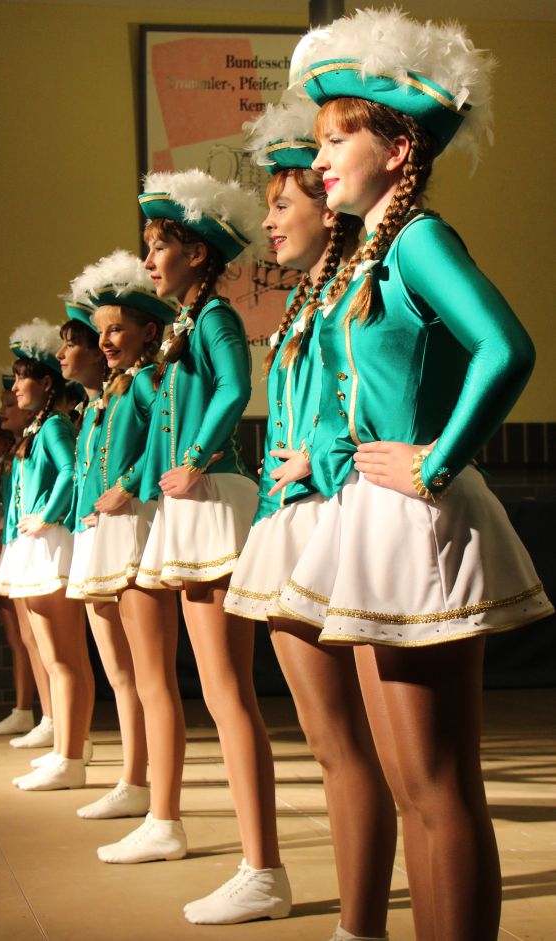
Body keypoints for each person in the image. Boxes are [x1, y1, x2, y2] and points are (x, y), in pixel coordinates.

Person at [269, 10, 554, 940]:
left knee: (437, 787)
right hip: (372, 515)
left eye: (335, 140)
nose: (319, 160)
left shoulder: (421, 238)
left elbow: (506, 347)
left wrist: (437, 460)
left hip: (415, 518)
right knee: (410, 787)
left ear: (397, 149)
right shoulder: (373, 250)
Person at [94, 169, 291, 926]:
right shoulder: (182, 325)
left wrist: (197, 458)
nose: (149, 260)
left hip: (211, 497)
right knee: (213, 688)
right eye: (148, 247)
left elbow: (237, 386)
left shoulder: (212, 317)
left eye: (160, 246)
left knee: (226, 691)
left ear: (198, 254)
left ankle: (262, 868)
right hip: (188, 500)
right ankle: (189, 832)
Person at [224, 93, 396, 939]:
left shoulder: (354, 284)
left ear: (327, 210)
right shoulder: (305, 297)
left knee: (350, 742)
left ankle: (360, 925)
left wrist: (322, 458)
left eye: (281, 203)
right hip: (288, 516)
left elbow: (371, 393)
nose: (268, 220)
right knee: (325, 741)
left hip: (331, 515)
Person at [62, 258, 175, 819]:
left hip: (134, 526)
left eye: (115, 330)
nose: (104, 340)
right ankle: (132, 780)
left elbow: (167, 433)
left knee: (146, 673)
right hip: (101, 531)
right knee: (117, 670)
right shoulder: (111, 391)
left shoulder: (150, 381)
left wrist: (128, 486)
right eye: (100, 331)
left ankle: (145, 787)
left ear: (148, 332)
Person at [0, 319, 95, 790]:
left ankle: (70, 755)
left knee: (64, 657)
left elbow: (72, 472)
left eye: (22, 379)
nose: (15, 389)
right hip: (35, 545)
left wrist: (47, 516)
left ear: (47, 384)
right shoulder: (39, 427)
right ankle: (67, 748)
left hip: (50, 544)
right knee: (55, 657)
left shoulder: (53, 425)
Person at [0, 395, 36, 736]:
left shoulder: (17, 460)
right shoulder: (5, 465)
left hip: (12, 545)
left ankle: (27, 708)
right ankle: (23, 708)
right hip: (0, 546)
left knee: (24, 635)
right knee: (17, 634)